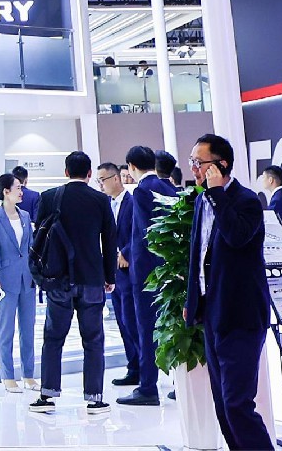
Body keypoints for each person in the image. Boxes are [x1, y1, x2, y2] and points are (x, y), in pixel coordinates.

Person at [186, 135, 272, 450]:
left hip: (241, 314)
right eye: (193, 161)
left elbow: (236, 236)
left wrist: (218, 194)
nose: (193, 168)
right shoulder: (201, 202)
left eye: (199, 162)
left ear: (220, 165)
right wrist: (192, 299)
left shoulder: (246, 201)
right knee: (223, 404)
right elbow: (198, 255)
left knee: (238, 403)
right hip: (212, 312)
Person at [30, 151, 116, 412]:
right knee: (93, 339)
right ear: (89, 174)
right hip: (92, 279)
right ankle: (94, 397)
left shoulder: (49, 197)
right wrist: (109, 276)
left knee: (53, 337)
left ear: (66, 172)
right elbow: (109, 241)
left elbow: (39, 237)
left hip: (58, 279)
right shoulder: (100, 200)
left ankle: (47, 395)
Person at [118, 146, 178, 407]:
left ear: (131, 166)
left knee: (146, 329)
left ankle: (147, 387)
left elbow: (146, 232)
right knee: (171, 327)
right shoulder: (168, 187)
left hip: (147, 272)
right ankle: (178, 384)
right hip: (169, 269)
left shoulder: (142, 190)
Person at [0, 172, 36, 391]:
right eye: (18, 188)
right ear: (6, 191)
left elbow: (30, 247)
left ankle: (29, 374)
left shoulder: (25, 216)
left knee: (28, 328)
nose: (21, 191)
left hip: (27, 278)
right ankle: (7, 376)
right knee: (5, 329)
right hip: (5, 279)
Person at [96, 162, 139, 389]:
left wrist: (126, 252)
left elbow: (139, 233)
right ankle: (133, 367)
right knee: (122, 321)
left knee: (132, 321)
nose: (100, 185)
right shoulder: (106, 205)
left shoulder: (132, 203)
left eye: (102, 180)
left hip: (129, 270)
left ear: (115, 178)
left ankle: (142, 368)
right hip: (113, 271)